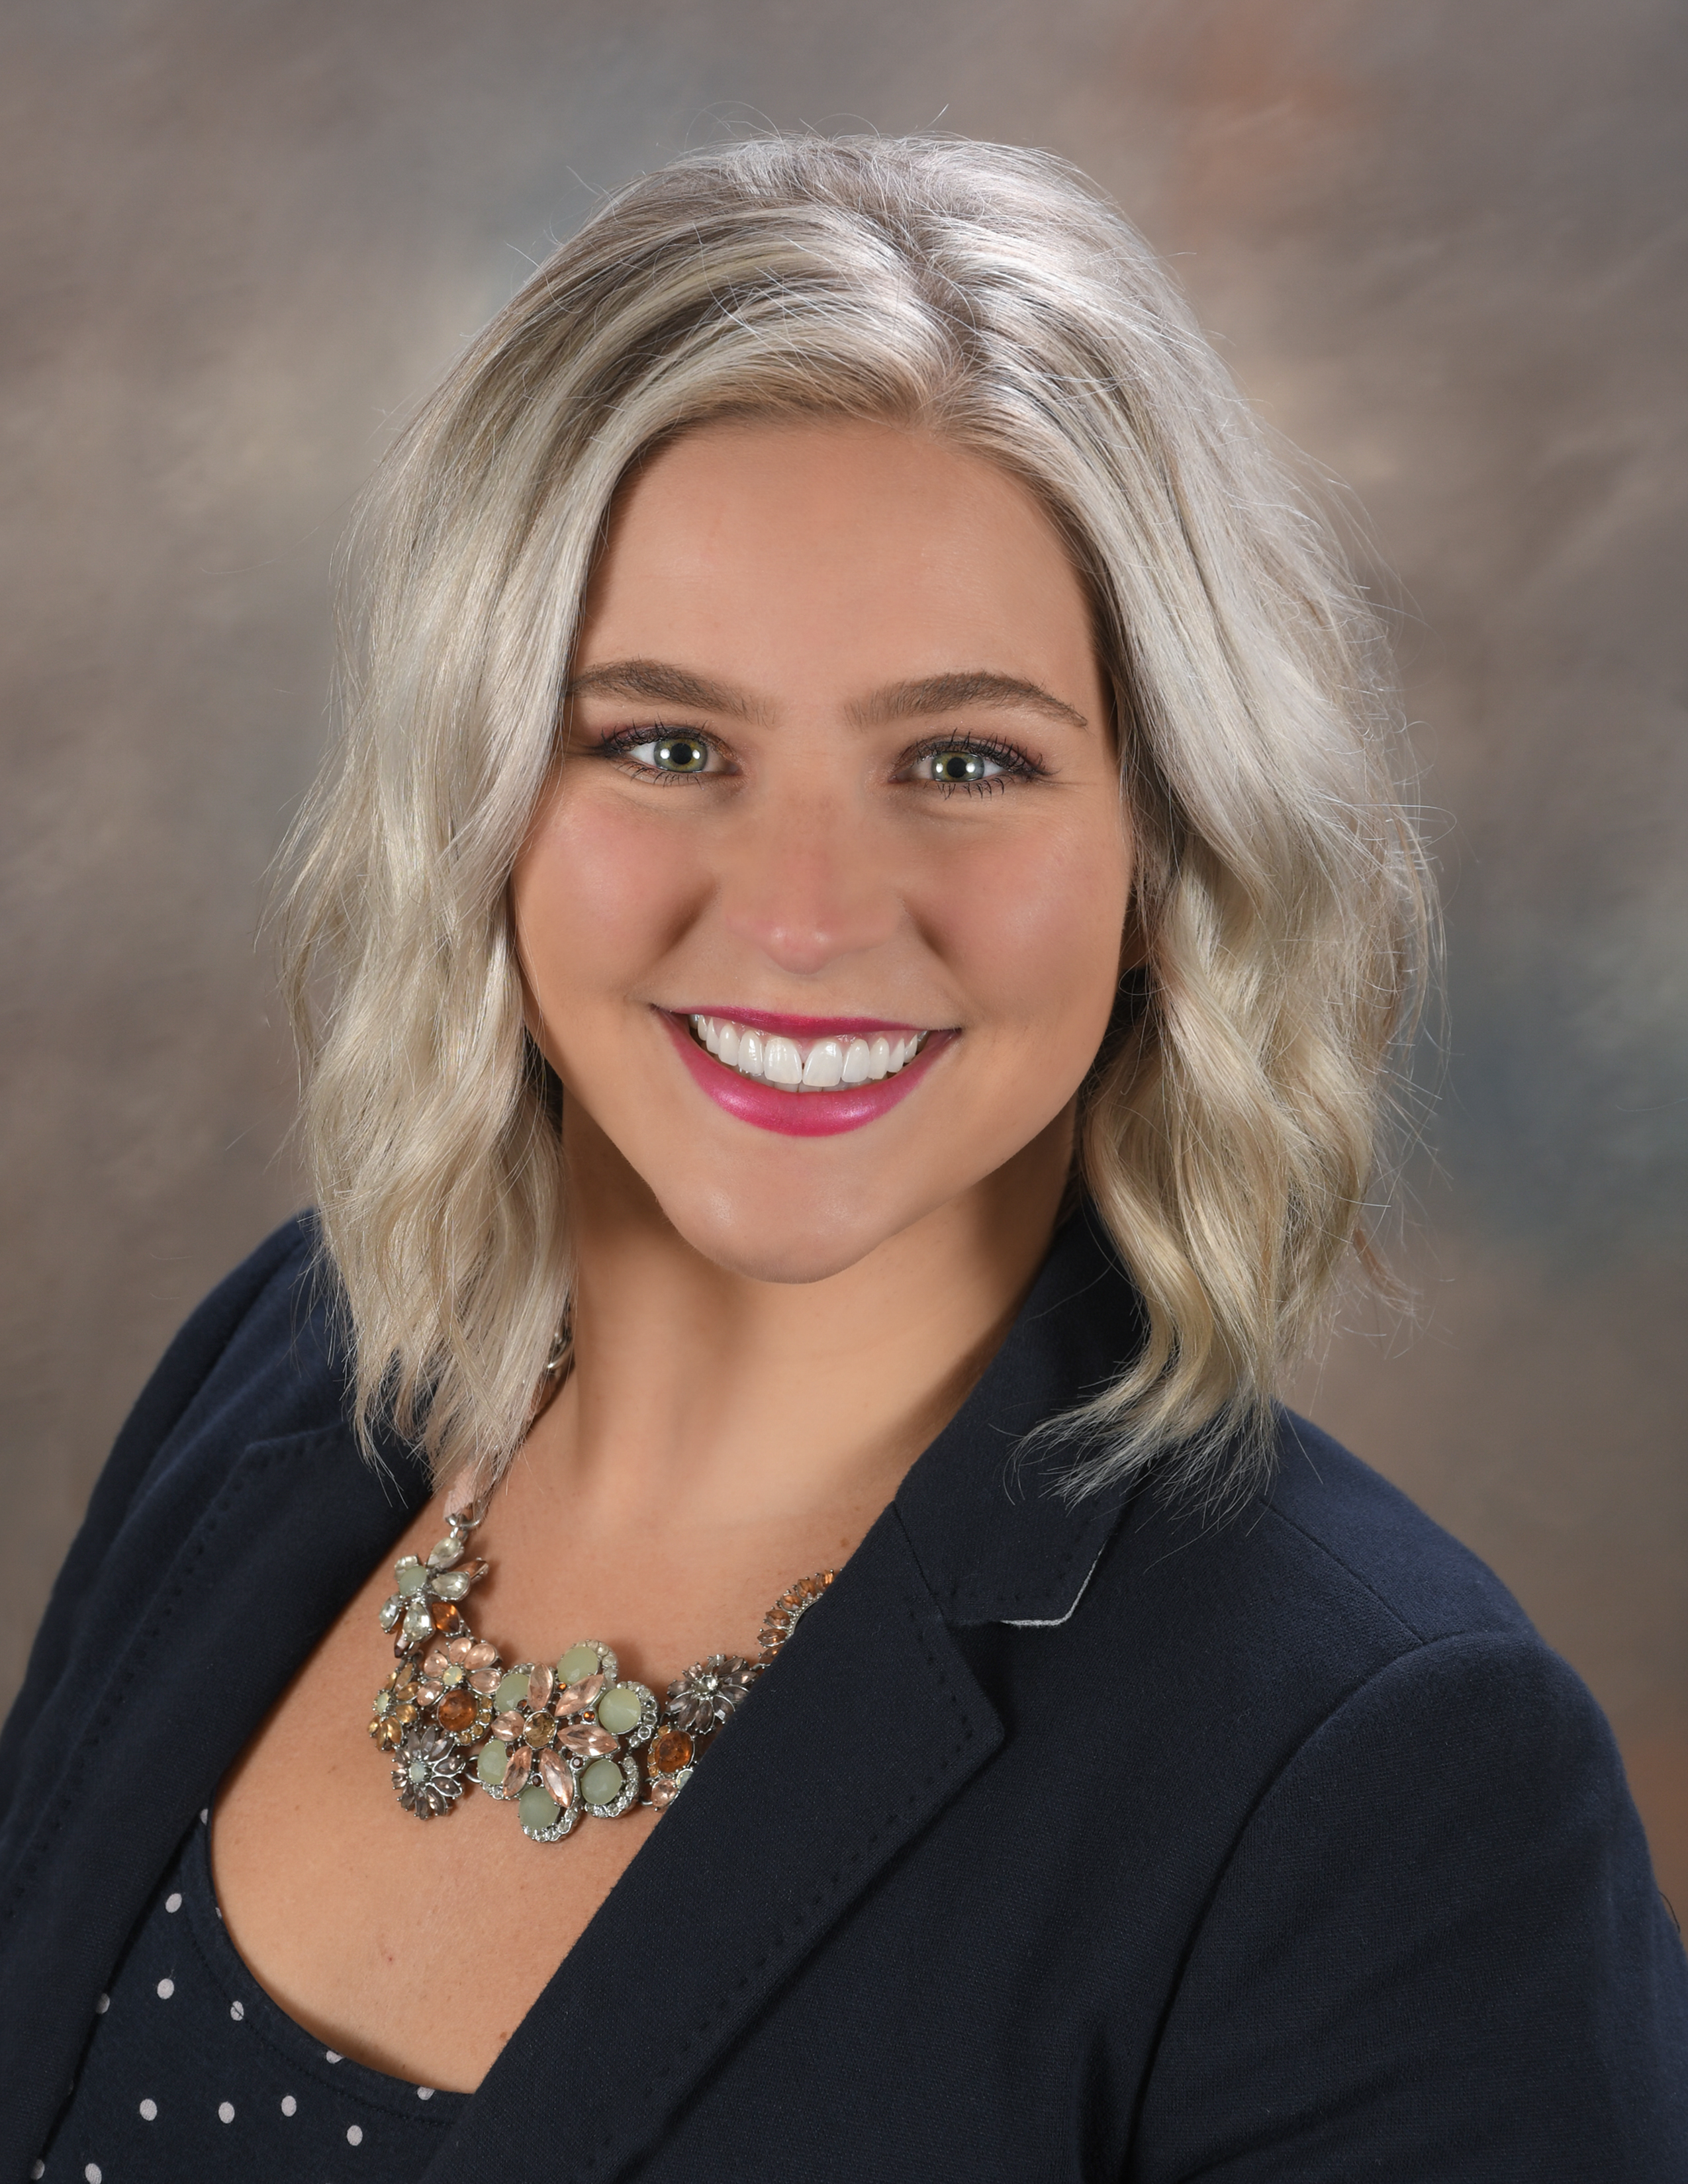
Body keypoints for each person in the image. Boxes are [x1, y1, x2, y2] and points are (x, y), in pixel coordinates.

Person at [2, 134, 1682, 2181]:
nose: (805, 911)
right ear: (484, 793)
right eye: (662, 741)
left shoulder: (1392, 1785)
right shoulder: (285, 1369)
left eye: (964, 761)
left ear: (1166, 850)